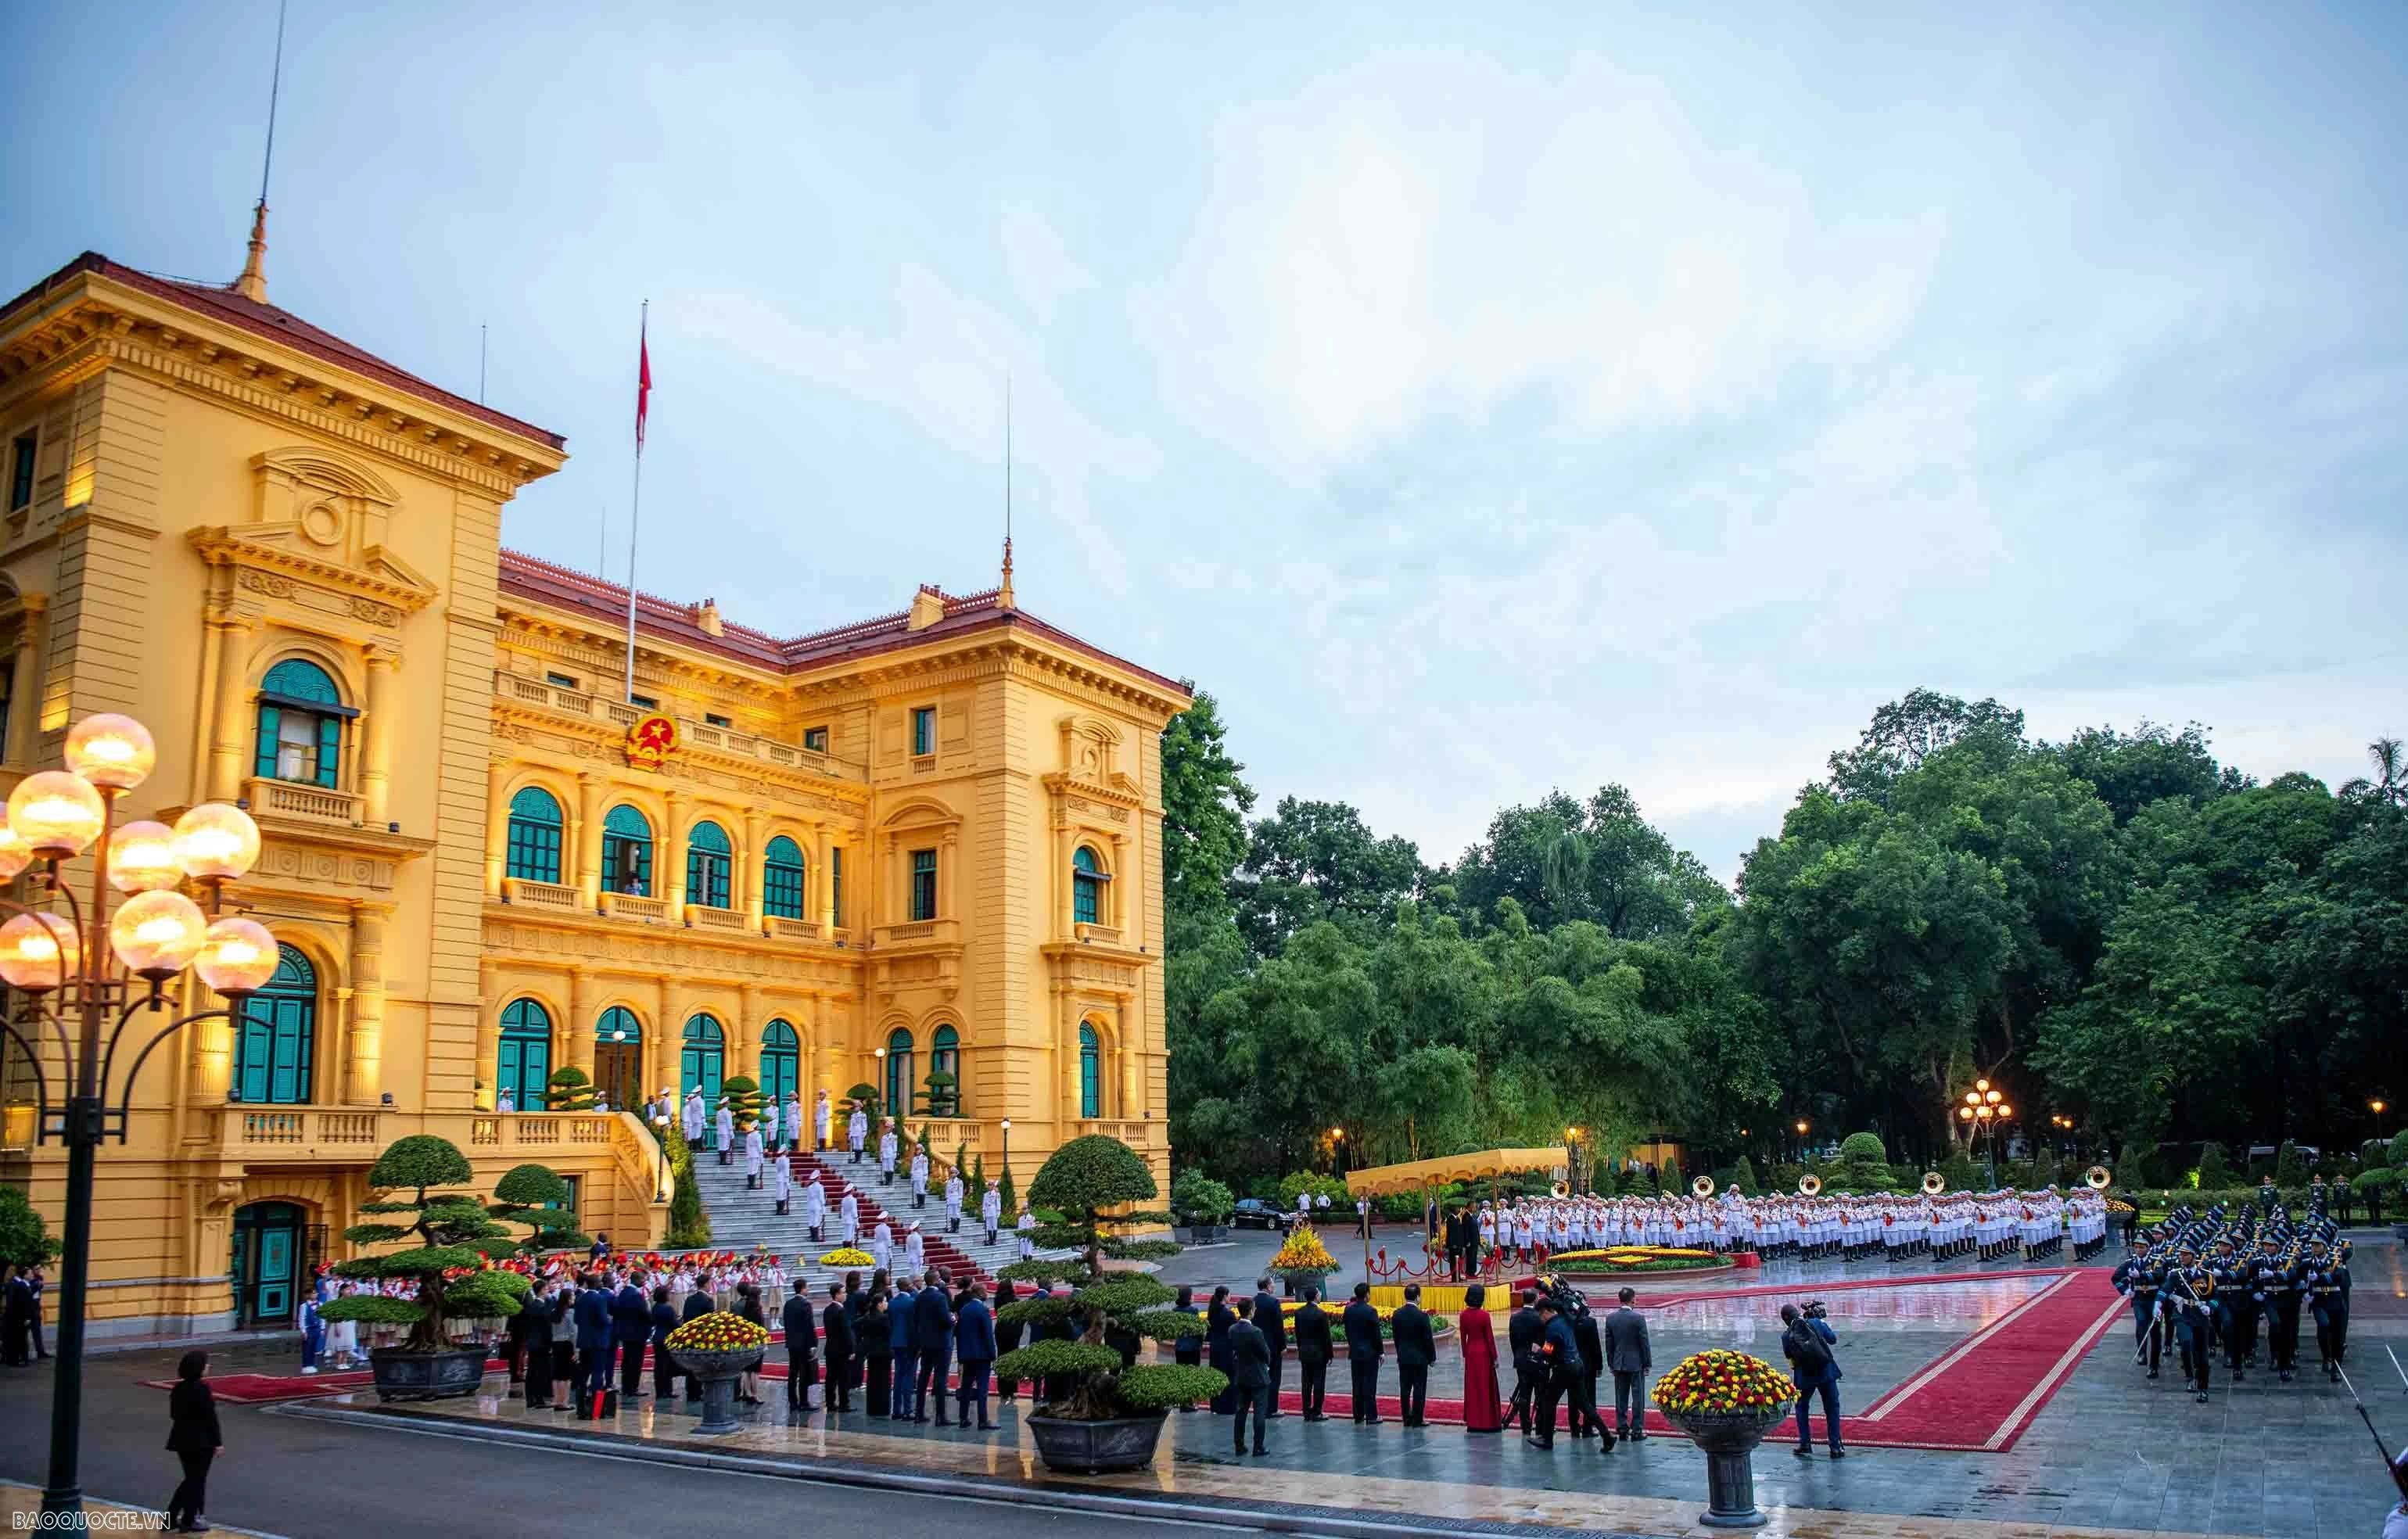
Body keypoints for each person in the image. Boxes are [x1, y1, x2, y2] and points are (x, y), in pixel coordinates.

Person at [163, 1348, 221, 1534]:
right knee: (196, 1481)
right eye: (206, 1364)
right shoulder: (202, 1389)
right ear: (199, 1368)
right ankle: (189, 1520)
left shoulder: (178, 1388)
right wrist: (218, 1443)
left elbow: (174, 1414)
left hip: (181, 1439)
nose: (209, 1366)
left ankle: (171, 1518)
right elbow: (210, 1418)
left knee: (191, 1479)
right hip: (201, 1441)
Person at [1779, 1302, 1843, 1458]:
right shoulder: (1815, 1323)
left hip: (1804, 1377)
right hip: (1826, 1372)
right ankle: (1835, 1447)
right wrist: (1819, 1322)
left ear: (1786, 1320)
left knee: (1802, 1408)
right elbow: (1833, 1339)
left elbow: (1790, 1357)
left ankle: (1805, 1443)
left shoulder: (1786, 1336)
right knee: (1832, 1408)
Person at [1527, 1297, 1575, 1450]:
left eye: (1541, 1315)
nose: (1541, 1319)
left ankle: (1547, 1439)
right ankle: (1606, 1435)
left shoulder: (1553, 1327)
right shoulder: (1564, 1320)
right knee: (1584, 1404)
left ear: (1546, 1312)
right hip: (1575, 1364)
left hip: (1563, 1368)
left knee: (1548, 1402)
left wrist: (1538, 1352)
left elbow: (1548, 1349)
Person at [1228, 1296, 1273, 1457]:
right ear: (1251, 1311)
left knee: (1241, 1411)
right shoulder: (1255, 1331)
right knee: (1259, 1412)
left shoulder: (1232, 1329)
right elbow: (1266, 1353)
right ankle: (1258, 1446)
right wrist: (1266, 1364)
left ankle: (1239, 1445)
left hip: (1242, 1375)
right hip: (1258, 1376)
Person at [1605, 1286, 1652, 1442]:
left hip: (1619, 1364)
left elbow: (1609, 1344)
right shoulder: (1638, 1319)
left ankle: (1622, 1429)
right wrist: (1647, 1363)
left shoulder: (1611, 1319)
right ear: (1633, 1299)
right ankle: (1637, 1430)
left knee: (1621, 1397)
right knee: (1638, 1398)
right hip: (1636, 1363)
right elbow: (1644, 1343)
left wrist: (1611, 1364)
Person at [1569, 1300, 1613, 1449]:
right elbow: (1595, 1346)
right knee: (1589, 1398)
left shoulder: (1568, 1322)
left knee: (1572, 1398)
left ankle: (1574, 1429)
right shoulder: (1590, 1323)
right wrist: (1599, 1365)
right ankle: (1587, 1428)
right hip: (1588, 1366)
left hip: (1571, 1364)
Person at [915, 1267, 956, 1425]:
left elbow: (916, 1319)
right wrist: (953, 1320)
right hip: (940, 1342)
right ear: (933, 1280)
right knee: (940, 1378)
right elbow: (945, 1320)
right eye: (938, 1277)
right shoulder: (939, 1297)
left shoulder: (920, 1297)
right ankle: (940, 1415)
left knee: (923, 1377)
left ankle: (919, 1412)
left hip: (926, 1342)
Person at [1391, 1284, 1437, 1427]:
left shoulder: (1397, 1314)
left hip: (1404, 1357)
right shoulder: (1422, 1316)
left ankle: (1406, 1418)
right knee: (1419, 1389)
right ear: (1417, 1297)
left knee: (1404, 1389)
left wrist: (1400, 1352)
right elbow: (1428, 1339)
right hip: (1420, 1359)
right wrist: (1432, 1357)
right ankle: (1418, 1418)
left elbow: (1396, 1337)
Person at [1459, 1282, 1502, 1433]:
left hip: (1471, 1352)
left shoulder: (1463, 1315)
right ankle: (1488, 1422)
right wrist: (1495, 1357)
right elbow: (1489, 1338)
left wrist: (1466, 1354)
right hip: (1484, 1353)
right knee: (1486, 1387)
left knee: (1473, 1387)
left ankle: (1473, 1421)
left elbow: (1463, 1337)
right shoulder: (1484, 1316)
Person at [955, 1279, 997, 1430]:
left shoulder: (964, 1310)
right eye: (986, 1292)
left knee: (966, 1387)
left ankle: (963, 1418)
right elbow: (988, 1335)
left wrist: (961, 1355)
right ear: (980, 1293)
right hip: (982, 1356)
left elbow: (959, 1334)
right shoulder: (983, 1310)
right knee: (982, 1388)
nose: (987, 1294)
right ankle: (982, 1420)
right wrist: (993, 1355)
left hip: (967, 1355)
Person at [1343, 1281, 1386, 1426]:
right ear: (1367, 1294)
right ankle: (1372, 1416)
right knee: (1369, 1386)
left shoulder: (1348, 1310)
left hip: (1355, 1352)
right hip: (1369, 1354)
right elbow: (1376, 1334)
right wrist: (1381, 1352)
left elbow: (1348, 1331)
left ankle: (1358, 1415)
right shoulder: (1370, 1311)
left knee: (1357, 1385)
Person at [573, 1272, 616, 1412]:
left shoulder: (580, 1299)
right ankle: (596, 1408)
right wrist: (609, 1319)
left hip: (584, 1341)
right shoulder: (600, 1299)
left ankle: (580, 1407)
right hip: (598, 1341)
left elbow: (576, 1320)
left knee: (584, 1374)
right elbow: (603, 1320)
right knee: (598, 1373)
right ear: (597, 1284)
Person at [1292, 1286, 1333, 1422]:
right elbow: (1326, 1337)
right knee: (1319, 1383)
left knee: (1306, 1383)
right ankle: (1316, 1411)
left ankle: (1306, 1411)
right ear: (1316, 1296)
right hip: (1319, 1354)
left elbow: (1298, 1334)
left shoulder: (1299, 1313)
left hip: (1305, 1352)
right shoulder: (1321, 1314)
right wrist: (1329, 1354)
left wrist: (1301, 1349)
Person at [1505, 1286, 1543, 1432]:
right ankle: (1540, 1426)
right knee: (1540, 1394)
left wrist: (1518, 1355)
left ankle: (1525, 1426)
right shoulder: (1539, 1317)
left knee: (1524, 1395)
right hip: (1538, 1362)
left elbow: (1512, 1340)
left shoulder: (1514, 1317)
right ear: (1535, 1300)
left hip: (1521, 1360)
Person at [1249, 1275, 1287, 1417]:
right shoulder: (1273, 1303)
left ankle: (1261, 1407)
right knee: (1273, 1378)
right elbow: (1279, 1327)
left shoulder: (1253, 1301)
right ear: (1267, 1286)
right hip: (1272, 1346)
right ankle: (1272, 1408)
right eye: (1273, 1284)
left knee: (1259, 1377)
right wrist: (1282, 1345)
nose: (1274, 1286)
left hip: (1256, 1344)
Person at [522, 1279, 563, 1411]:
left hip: (536, 1342)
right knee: (537, 1371)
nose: (548, 1291)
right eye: (546, 1289)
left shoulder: (536, 1305)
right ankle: (536, 1398)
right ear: (541, 1291)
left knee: (534, 1371)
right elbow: (546, 1324)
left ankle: (534, 1398)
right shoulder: (538, 1306)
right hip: (540, 1343)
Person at [782, 1279, 820, 1421]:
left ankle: (793, 1402)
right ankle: (803, 1401)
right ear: (803, 1289)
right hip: (804, 1344)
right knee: (803, 1374)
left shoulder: (788, 1303)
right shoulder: (806, 1304)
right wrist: (813, 1344)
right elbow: (809, 1326)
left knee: (792, 1373)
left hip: (792, 1343)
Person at [612, 1269, 651, 1397]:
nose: (644, 1282)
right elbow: (644, 1313)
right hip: (637, 1332)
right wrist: (653, 1320)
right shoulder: (635, 1295)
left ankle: (626, 1386)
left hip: (625, 1331)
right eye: (643, 1280)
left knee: (627, 1360)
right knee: (635, 1361)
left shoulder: (623, 1293)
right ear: (638, 1280)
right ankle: (633, 1388)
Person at [820, 1280, 855, 1412]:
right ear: (837, 1295)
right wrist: (851, 1349)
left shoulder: (828, 1310)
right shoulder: (841, 1311)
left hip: (830, 1348)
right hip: (842, 1349)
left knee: (831, 1377)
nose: (845, 1295)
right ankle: (844, 1404)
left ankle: (830, 1402)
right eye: (843, 1293)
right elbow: (846, 1332)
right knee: (843, 1377)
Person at [888, 1274, 920, 1420]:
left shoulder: (892, 1302)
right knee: (908, 1376)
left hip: (896, 1342)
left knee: (898, 1376)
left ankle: (896, 1409)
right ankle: (908, 1410)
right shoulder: (912, 1303)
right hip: (909, 1343)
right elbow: (914, 1325)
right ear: (909, 1286)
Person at [862, 1289, 894, 1418]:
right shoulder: (883, 1318)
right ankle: (883, 1408)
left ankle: (872, 1407)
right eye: (885, 1301)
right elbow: (888, 1334)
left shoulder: (867, 1316)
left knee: (873, 1380)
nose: (887, 1304)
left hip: (871, 1353)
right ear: (879, 1304)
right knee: (884, 1381)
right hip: (884, 1353)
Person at [993, 1278, 1025, 1405]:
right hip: (1013, 1333)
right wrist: (1019, 1331)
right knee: (1012, 1361)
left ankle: (1003, 1391)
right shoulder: (1016, 1301)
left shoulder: (998, 1300)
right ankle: (1012, 1390)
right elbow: (1021, 1318)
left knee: (1002, 1358)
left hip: (1001, 1332)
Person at [1172, 1285, 1204, 1410]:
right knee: (1192, 1374)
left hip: (1180, 1347)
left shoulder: (1175, 1311)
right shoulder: (1193, 1311)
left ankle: (1183, 1401)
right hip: (1193, 1347)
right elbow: (1198, 1330)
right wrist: (1200, 1343)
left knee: (1181, 1374)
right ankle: (1190, 1402)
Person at [736, 1282, 770, 1404]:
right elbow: (761, 1327)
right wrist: (764, 1342)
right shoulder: (757, 1309)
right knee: (755, 1370)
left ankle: (747, 1393)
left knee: (746, 1369)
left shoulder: (746, 1308)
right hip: (756, 1340)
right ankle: (755, 1394)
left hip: (746, 1339)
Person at [1205, 1285, 1236, 1412]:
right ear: (1224, 1296)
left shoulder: (1212, 1311)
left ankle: (1216, 1405)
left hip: (1215, 1347)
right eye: (1229, 1295)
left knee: (1216, 1376)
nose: (1230, 1297)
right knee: (1228, 1377)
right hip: (1226, 1349)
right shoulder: (1228, 1314)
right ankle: (1227, 1406)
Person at [648, 1285, 680, 1401]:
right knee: (666, 1365)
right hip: (666, 1338)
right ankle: (667, 1390)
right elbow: (674, 1324)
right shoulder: (668, 1308)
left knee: (659, 1366)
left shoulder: (655, 1307)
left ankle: (660, 1391)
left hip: (657, 1337)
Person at [2, 1266, 32, 1367]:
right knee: (20, 1339)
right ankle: (20, 1359)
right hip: (17, 1317)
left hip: (15, 1316)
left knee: (18, 1338)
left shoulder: (16, 1284)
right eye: (30, 1273)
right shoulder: (19, 1285)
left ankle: (18, 1359)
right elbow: (24, 1303)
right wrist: (27, 1317)